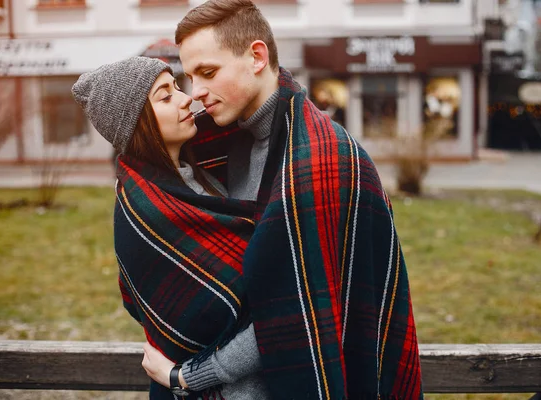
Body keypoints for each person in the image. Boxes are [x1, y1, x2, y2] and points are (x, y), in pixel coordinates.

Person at [142, 0, 423, 399]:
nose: (196, 92)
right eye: (189, 77)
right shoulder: (230, 144)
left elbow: (291, 314)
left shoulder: (320, 161)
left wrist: (189, 376)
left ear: (257, 56)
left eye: (207, 72)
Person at [72, 56, 269, 400]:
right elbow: (270, 312)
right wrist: (189, 376)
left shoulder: (199, 177)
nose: (186, 98)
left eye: (177, 87)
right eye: (165, 96)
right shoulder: (149, 211)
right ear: (137, 124)